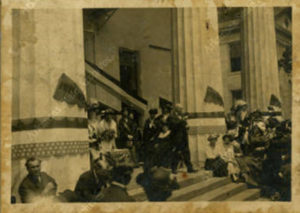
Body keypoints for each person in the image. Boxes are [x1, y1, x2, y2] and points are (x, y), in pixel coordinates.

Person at [170, 104, 196, 174]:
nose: (182, 110)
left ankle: (190, 168)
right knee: (176, 153)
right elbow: (173, 125)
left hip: (184, 137)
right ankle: (174, 168)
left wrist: (186, 126)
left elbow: (183, 124)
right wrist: (182, 120)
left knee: (186, 152)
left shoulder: (181, 116)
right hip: (177, 138)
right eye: (181, 109)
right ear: (176, 109)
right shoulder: (172, 116)